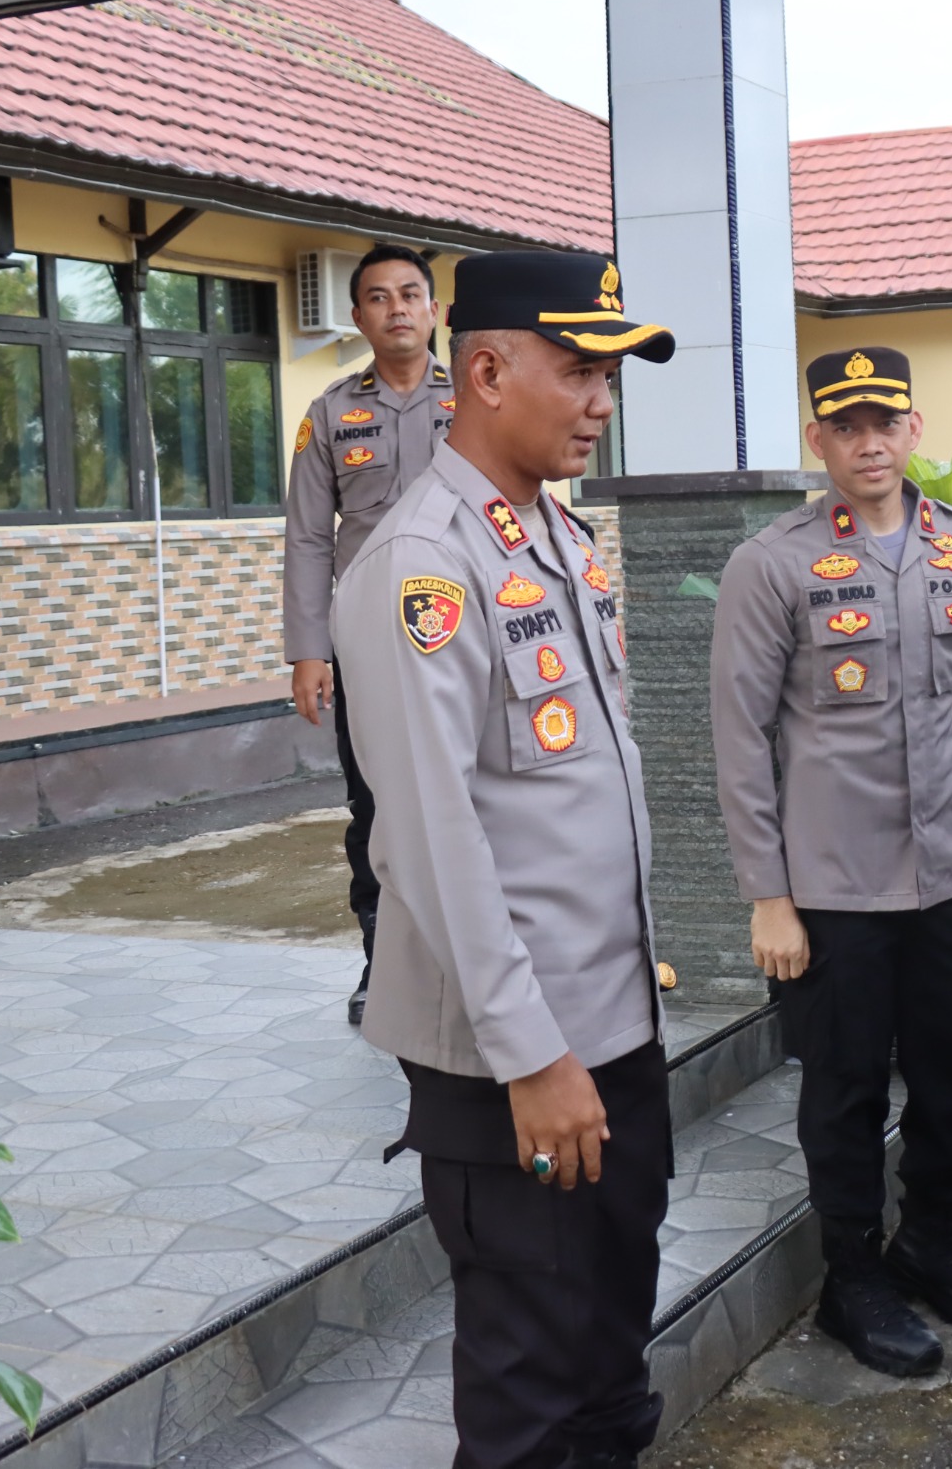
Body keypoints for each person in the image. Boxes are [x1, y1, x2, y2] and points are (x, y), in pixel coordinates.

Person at [333, 249, 676, 1469]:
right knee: (531, 1391)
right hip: (514, 1062)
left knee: (608, 1359)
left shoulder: (552, 535)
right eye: (580, 369)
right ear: (483, 369)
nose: (602, 399)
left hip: (610, 1031)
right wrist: (532, 1053)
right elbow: (428, 835)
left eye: (610, 375)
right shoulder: (421, 566)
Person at [708, 346, 952, 1378]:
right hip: (832, 887)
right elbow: (740, 737)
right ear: (819, 439)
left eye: (884, 419)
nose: (869, 439)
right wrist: (768, 894)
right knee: (843, 1090)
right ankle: (854, 1278)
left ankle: (929, 1240)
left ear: (913, 427)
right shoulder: (774, 562)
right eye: (845, 424)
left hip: (948, 873)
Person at [283, 243, 456, 1024]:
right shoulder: (329, 414)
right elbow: (308, 537)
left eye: (410, 294)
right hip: (368, 643)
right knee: (377, 803)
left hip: (470, 630)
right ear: (357, 317)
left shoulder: (479, 398)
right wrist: (309, 650)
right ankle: (383, 963)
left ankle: (471, 957)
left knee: (479, 792)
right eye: (379, 298)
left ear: (434, 309)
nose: (397, 309)